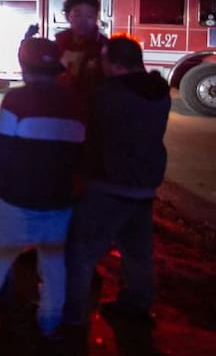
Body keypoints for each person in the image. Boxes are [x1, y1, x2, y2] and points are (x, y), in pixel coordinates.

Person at [0, 38, 84, 340]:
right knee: (53, 268)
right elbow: (81, 155)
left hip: (16, 201)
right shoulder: (76, 103)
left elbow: (3, 151)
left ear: (24, 67)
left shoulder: (16, 101)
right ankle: (50, 325)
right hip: (58, 202)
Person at [62, 37, 170, 328]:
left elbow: (89, 132)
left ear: (115, 63)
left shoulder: (108, 96)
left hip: (109, 183)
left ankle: (71, 315)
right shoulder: (159, 91)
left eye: (105, 60)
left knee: (81, 250)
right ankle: (137, 304)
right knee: (137, 251)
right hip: (145, 184)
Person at [54, 0, 107, 101]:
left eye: (89, 16)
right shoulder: (58, 45)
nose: (83, 21)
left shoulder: (105, 46)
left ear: (96, 17)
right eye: (78, 15)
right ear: (67, 16)